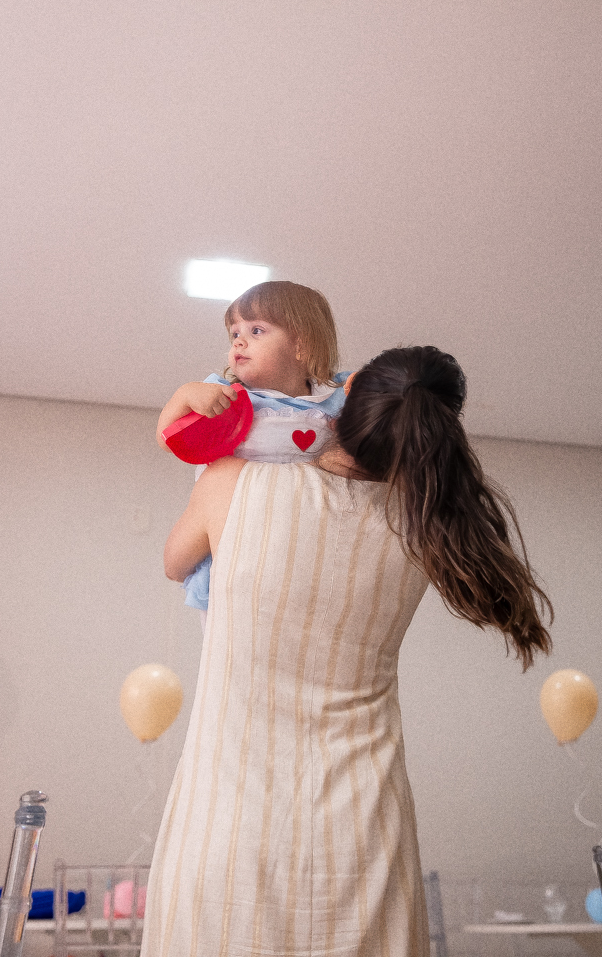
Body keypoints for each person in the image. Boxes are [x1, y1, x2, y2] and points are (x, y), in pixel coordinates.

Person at [140, 345, 553, 957]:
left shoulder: (232, 484)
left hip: (227, 827)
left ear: (348, 389)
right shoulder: (424, 529)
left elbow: (175, 565)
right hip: (363, 837)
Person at [156, 281, 351, 622]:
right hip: (230, 534)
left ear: (301, 345)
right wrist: (186, 395)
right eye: (234, 333)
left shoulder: (332, 401)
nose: (239, 341)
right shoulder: (223, 394)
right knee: (227, 633)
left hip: (298, 534)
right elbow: (167, 438)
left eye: (257, 330)